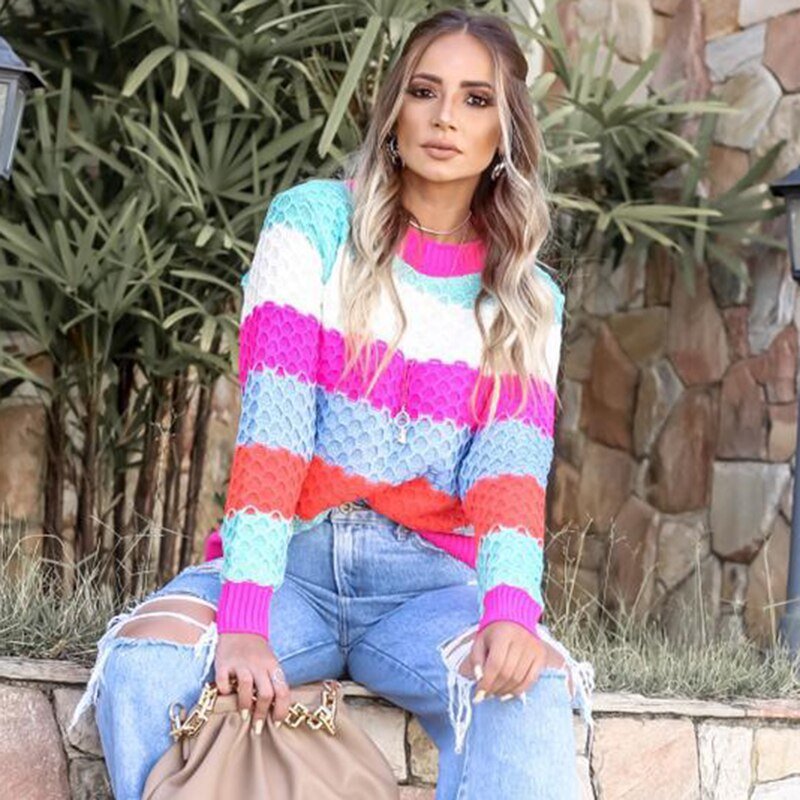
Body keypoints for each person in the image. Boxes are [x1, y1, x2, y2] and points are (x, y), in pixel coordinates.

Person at [70, 8, 595, 799]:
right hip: (293, 564)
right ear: (394, 110)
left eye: (476, 99)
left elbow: (509, 478)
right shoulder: (312, 225)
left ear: (506, 132)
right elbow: (274, 433)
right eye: (424, 91)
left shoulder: (528, 295)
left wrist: (511, 609)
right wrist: (245, 616)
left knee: (529, 689)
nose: (445, 118)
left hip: (430, 586)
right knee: (146, 663)